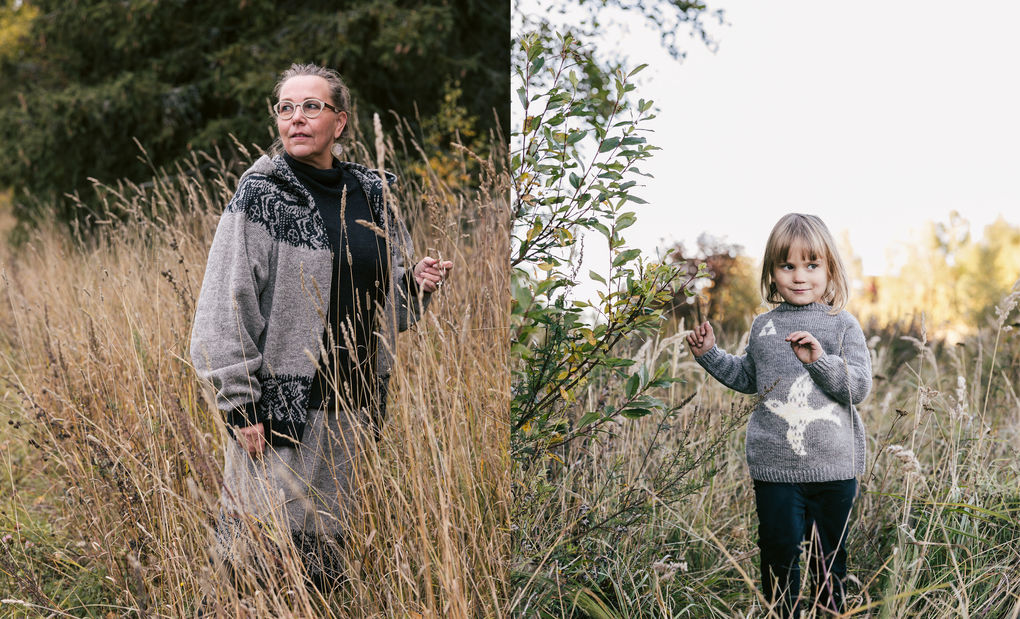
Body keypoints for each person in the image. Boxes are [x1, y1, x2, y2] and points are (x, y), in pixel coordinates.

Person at [189, 63, 453, 591]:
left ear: (341, 121)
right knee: (258, 558)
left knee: (325, 562)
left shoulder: (372, 196)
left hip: (354, 405)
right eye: (286, 108)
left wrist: (416, 285)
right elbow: (222, 308)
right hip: (280, 412)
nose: (297, 118)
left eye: (312, 107)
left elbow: (392, 310)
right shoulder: (262, 198)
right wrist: (240, 406)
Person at [686, 213, 870, 617]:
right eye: (787, 266)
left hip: (833, 471)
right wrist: (710, 355)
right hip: (776, 471)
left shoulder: (842, 326)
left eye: (812, 265)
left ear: (830, 269)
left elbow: (857, 388)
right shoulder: (764, 327)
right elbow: (748, 377)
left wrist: (819, 361)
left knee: (829, 567)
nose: (799, 276)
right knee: (778, 559)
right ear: (771, 272)